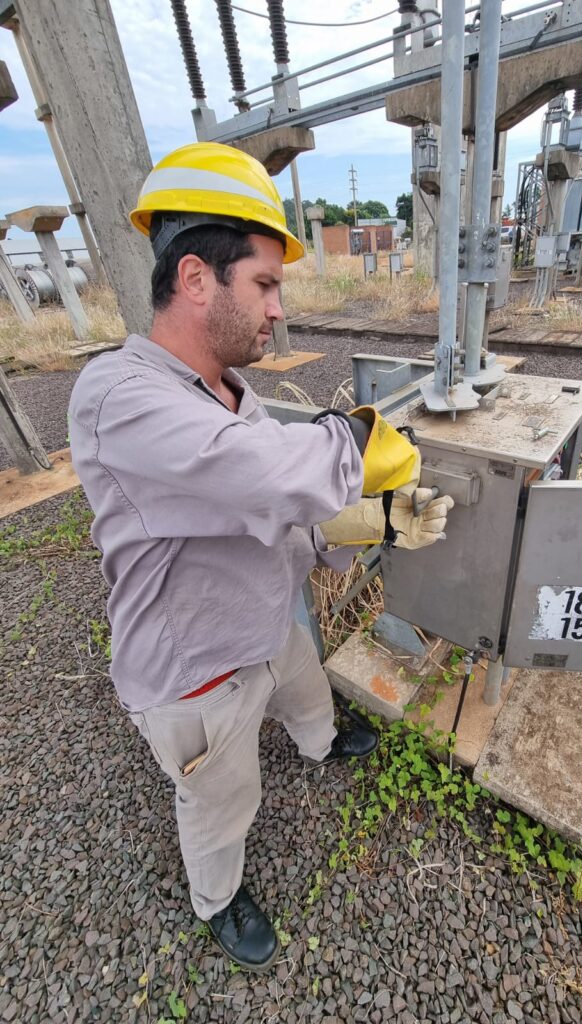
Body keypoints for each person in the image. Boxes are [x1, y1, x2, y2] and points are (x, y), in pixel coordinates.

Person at [68, 142, 454, 974]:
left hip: (267, 621)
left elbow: (281, 516)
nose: (280, 310)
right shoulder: (118, 397)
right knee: (221, 796)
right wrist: (359, 436)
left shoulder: (234, 393)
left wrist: (380, 522)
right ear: (198, 277)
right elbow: (263, 476)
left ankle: (318, 741)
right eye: (267, 285)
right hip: (197, 672)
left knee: (307, 690)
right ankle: (218, 894)